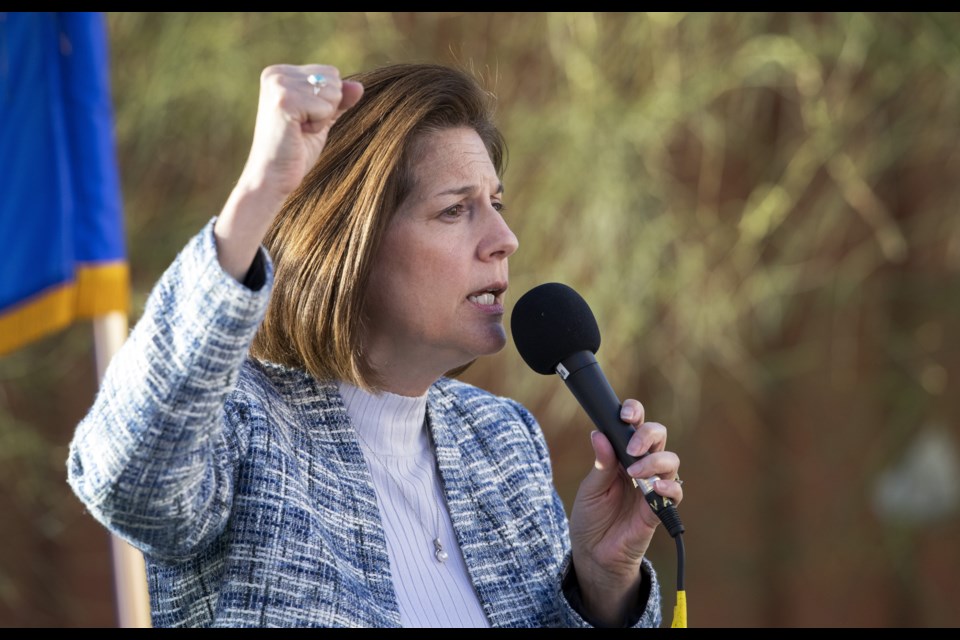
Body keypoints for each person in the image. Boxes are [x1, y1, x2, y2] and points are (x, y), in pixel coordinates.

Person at [66, 61, 683, 628]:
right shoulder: (242, 425)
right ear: (352, 245)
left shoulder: (501, 443)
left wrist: (604, 585)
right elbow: (126, 475)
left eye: (495, 203)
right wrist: (259, 192)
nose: (504, 238)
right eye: (454, 211)